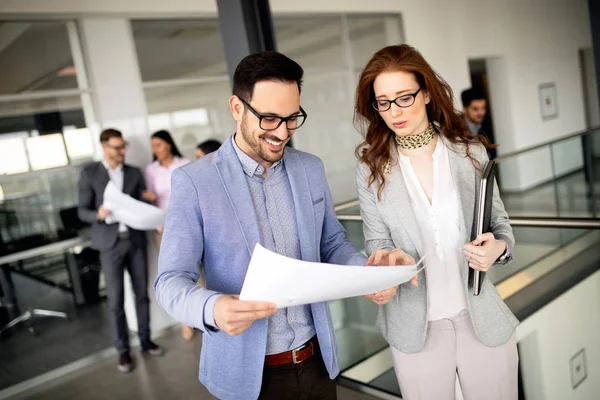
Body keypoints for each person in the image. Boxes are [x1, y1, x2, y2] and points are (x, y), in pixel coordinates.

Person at [154, 51, 401, 400]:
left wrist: (367, 274)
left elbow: (331, 244)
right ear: (237, 108)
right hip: (248, 378)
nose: (282, 132)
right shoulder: (194, 182)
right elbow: (169, 281)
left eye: (291, 118)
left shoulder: (310, 168)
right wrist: (212, 309)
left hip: (317, 363)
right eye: (269, 118)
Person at [354, 44, 518, 400]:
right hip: (414, 326)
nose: (393, 111)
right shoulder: (370, 169)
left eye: (404, 97)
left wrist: (499, 248)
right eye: (383, 102)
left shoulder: (469, 152)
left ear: (426, 93)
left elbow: (501, 226)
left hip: (480, 316)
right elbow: (376, 242)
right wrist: (386, 266)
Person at [77, 128, 164, 374]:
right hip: (109, 243)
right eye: (117, 147)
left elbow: (137, 206)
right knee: (115, 301)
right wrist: (98, 214)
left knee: (142, 294)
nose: (122, 151)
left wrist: (147, 199)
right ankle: (123, 351)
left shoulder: (134, 173)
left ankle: (145, 341)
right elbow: (81, 211)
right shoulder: (89, 173)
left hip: (135, 241)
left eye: (123, 146)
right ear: (104, 147)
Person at [142, 130, 192, 340]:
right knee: (175, 274)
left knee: (196, 271)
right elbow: (150, 199)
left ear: (169, 145)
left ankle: (207, 313)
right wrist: (149, 197)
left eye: (159, 145)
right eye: (153, 146)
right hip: (163, 228)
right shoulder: (151, 170)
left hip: (189, 224)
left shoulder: (184, 163)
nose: (156, 150)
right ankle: (186, 321)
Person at [461, 88, 496, 159]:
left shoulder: (488, 124)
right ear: (464, 109)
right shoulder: (454, 128)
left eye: (483, 108)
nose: (481, 113)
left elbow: (492, 154)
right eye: (475, 109)